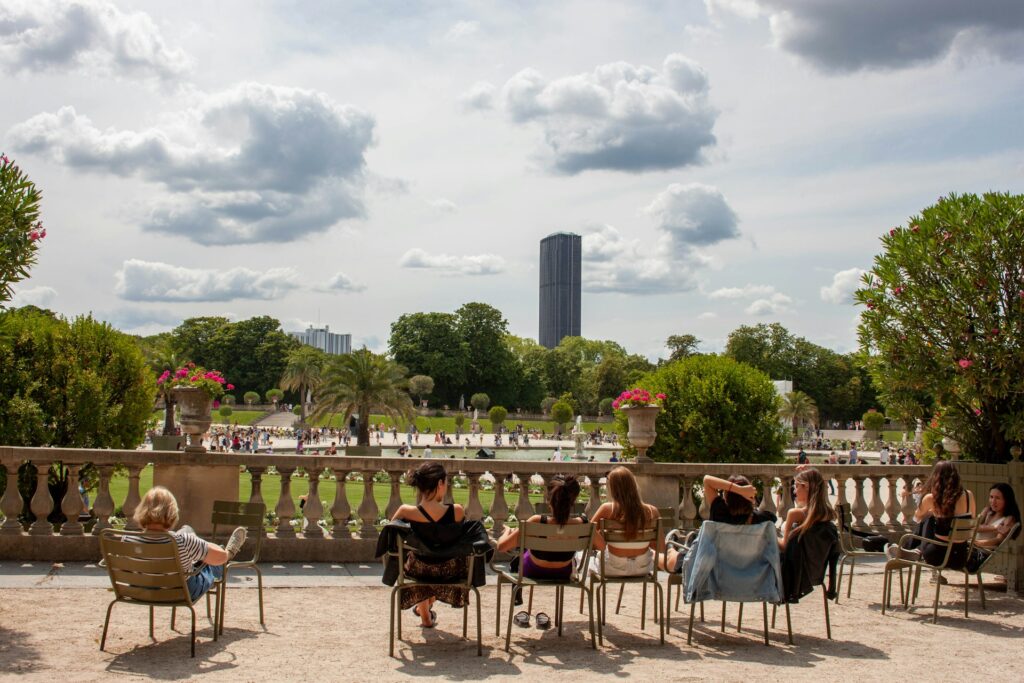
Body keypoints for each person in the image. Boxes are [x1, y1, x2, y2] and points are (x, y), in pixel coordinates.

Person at [497, 475, 587, 627]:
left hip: (533, 571)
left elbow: (502, 547)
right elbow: (601, 545)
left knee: (521, 554)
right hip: (564, 572)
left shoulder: (536, 521)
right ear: (573, 500)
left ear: (549, 499)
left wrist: (507, 531)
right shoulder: (583, 522)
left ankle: (517, 599)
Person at [133, 486, 246, 602]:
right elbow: (220, 558)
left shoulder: (128, 540)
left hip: (141, 592)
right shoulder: (181, 540)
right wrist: (221, 553)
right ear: (171, 512)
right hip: (180, 592)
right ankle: (229, 552)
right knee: (215, 563)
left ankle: (196, 553)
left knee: (187, 530)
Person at [389, 463, 467, 628]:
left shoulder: (405, 512)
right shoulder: (457, 511)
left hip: (419, 570)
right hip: (449, 571)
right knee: (434, 559)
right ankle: (427, 608)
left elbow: (390, 537)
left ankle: (425, 614)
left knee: (419, 559)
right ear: (439, 484)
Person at [660, 474, 774, 574]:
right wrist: (751, 503)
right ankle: (675, 549)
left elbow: (707, 480)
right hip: (747, 575)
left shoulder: (720, 512)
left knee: (666, 557)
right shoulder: (763, 519)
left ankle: (666, 550)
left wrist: (738, 489)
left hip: (717, 574)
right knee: (677, 554)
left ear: (726, 496)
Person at [886, 461, 976, 569]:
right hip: (960, 557)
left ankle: (913, 550)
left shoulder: (932, 498)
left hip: (938, 556)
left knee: (928, 519)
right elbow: (971, 520)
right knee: (931, 518)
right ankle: (914, 550)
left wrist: (932, 512)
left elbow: (917, 517)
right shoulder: (968, 495)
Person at [590, 467, 659, 577]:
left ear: (613, 488)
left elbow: (589, 531)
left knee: (588, 560)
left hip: (613, 568)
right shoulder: (652, 511)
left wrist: (602, 540)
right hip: (643, 568)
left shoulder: (607, 509)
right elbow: (661, 547)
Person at [779, 467, 835, 550]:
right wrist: (805, 473)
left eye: (796, 486)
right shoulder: (827, 512)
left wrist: (770, 536)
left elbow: (784, 546)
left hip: (796, 561)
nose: (795, 491)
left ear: (806, 487)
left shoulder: (795, 514)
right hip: (817, 561)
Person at [974, 483, 1020, 550]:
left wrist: (976, 543)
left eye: (997, 498)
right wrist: (995, 528)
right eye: (991, 497)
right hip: (971, 546)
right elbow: (973, 527)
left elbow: (998, 540)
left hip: (980, 551)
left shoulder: (1008, 519)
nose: (993, 501)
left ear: (1007, 500)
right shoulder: (987, 511)